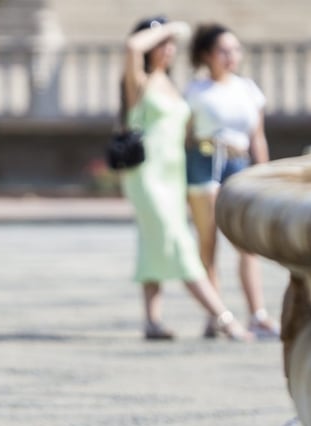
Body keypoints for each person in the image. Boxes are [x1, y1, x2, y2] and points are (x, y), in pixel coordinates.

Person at [120, 16, 250, 341]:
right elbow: (131, 46)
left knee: (152, 243)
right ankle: (224, 317)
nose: (167, 49)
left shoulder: (173, 84)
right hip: (147, 175)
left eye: (170, 45)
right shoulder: (139, 81)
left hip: (174, 174)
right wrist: (169, 28)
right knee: (178, 242)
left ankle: (152, 321)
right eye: (161, 44)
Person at [184, 23, 281, 340]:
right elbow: (185, 135)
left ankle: (258, 313)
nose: (231, 57)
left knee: (245, 243)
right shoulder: (195, 91)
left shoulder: (248, 89)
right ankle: (217, 315)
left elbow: (258, 136)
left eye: (235, 50)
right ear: (207, 55)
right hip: (205, 160)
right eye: (224, 51)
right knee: (208, 243)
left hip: (238, 162)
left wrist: (264, 175)